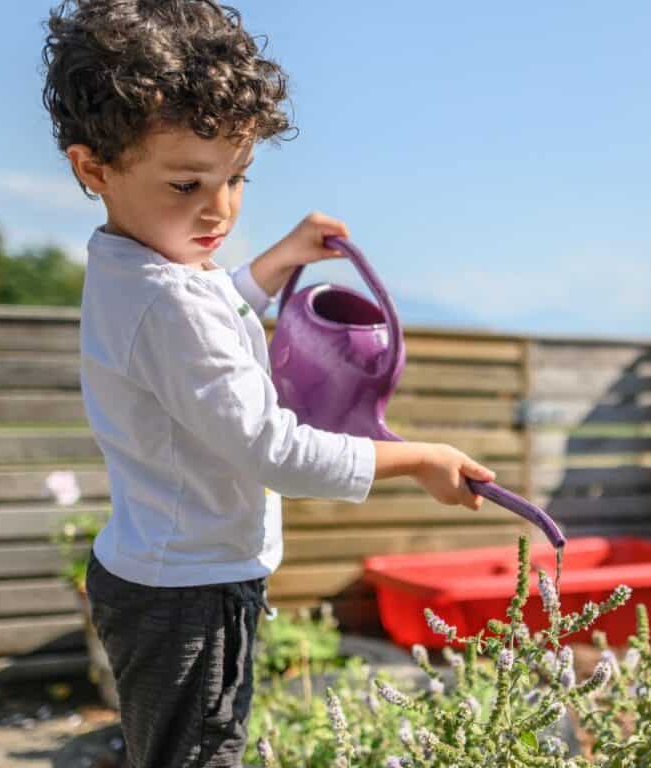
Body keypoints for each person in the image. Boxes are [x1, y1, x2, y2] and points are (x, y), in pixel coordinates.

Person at [42, 2, 494, 764]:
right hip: (188, 595)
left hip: (159, 571)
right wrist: (418, 458)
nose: (219, 208)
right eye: (187, 184)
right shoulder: (168, 295)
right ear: (95, 168)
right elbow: (272, 449)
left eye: (237, 177)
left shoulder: (135, 268)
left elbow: (208, 323)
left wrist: (282, 257)